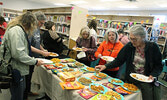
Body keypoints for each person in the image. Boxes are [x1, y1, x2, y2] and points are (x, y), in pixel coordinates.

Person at [95, 25, 163, 100]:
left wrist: (153, 75)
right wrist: (105, 66)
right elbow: (119, 60)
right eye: (130, 38)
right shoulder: (129, 46)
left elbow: (159, 65)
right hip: (131, 79)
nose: (132, 41)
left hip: (146, 81)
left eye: (135, 39)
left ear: (143, 37)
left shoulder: (153, 47)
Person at [0, 11, 44, 100]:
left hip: (18, 68)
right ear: (30, 24)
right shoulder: (17, 31)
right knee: (17, 95)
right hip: (15, 69)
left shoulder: (18, 30)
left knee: (19, 92)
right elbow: (18, 54)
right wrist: (34, 61)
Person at [25, 11, 50, 99]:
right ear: (36, 20)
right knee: (27, 76)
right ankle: (25, 94)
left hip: (35, 56)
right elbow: (28, 45)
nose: (42, 25)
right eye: (41, 23)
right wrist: (42, 53)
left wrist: (43, 49)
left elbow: (37, 42)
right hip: (29, 56)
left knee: (31, 75)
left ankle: (28, 91)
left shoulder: (38, 29)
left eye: (43, 23)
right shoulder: (30, 29)